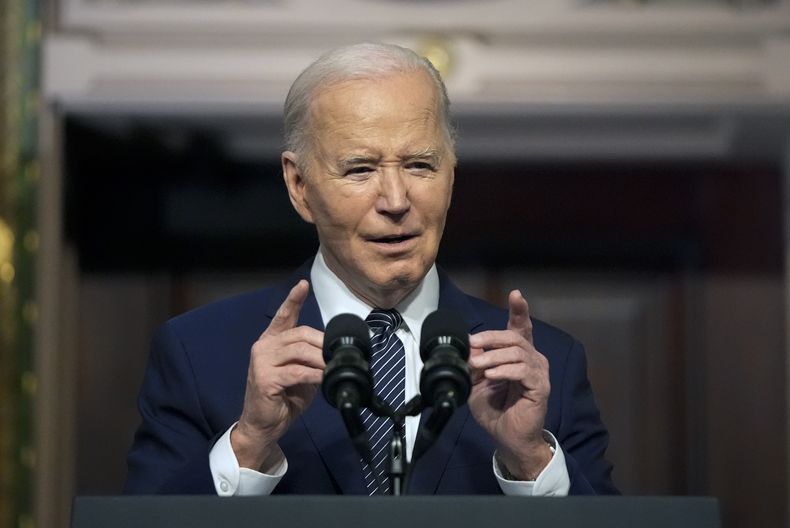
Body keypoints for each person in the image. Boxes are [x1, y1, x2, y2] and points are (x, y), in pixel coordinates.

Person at [124, 42, 617, 496]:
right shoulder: (199, 354)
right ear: (299, 186)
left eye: (420, 165)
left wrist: (530, 460)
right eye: (360, 169)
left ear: (451, 174)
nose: (397, 200)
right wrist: (250, 442)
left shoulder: (542, 365)